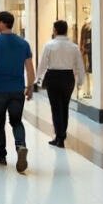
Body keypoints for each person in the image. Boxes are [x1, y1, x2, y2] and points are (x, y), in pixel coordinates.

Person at [0, 11, 35, 173]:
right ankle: (21, 146)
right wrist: (30, 87)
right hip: (17, 90)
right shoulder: (23, 44)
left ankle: (1, 155)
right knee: (16, 121)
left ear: (4, 23)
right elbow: (30, 68)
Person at [36, 20, 86, 148]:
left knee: (55, 107)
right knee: (65, 106)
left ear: (55, 30)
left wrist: (37, 79)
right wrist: (81, 81)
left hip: (53, 77)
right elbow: (80, 65)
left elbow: (42, 64)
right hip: (68, 77)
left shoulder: (49, 45)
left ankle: (59, 136)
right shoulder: (74, 47)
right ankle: (61, 134)